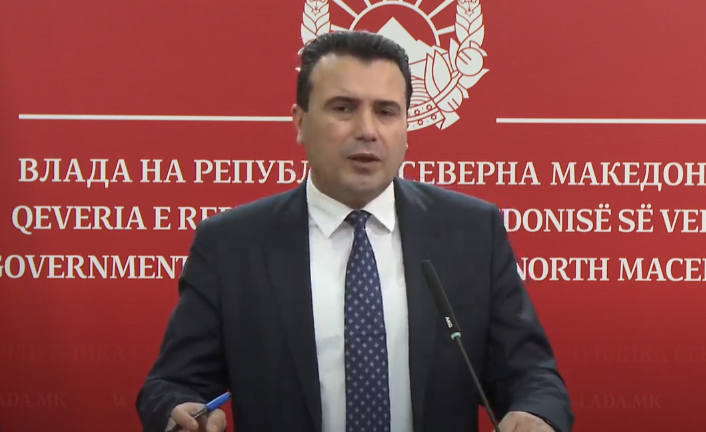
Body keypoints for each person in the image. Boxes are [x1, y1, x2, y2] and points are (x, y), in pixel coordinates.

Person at [135, 30, 574, 432]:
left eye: (386, 112)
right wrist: (178, 411)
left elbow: (531, 374)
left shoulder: (472, 232)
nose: (367, 130)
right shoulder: (232, 244)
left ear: (406, 129)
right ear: (300, 123)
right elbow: (173, 384)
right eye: (343, 108)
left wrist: (536, 412)